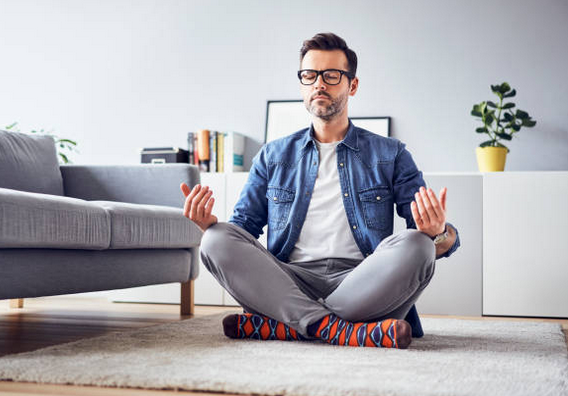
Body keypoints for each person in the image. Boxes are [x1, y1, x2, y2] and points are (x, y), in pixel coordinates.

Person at [180, 32, 460, 349]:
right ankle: (342, 331)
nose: (319, 84)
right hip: (289, 283)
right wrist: (208, 226)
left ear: (352, 85)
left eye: (331, 75)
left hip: (362, 283)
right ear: (302, 83)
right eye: (309, 75)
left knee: (419, 246)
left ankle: (288, 326)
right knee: (215, 239)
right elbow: (242, 231)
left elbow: (438, 242)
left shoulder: (390, 154)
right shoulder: (273, 156)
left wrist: (438, 233)